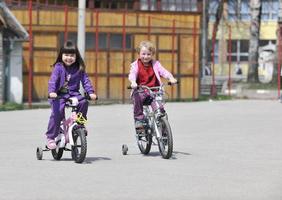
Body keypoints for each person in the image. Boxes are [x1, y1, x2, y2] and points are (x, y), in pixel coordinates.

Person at [45, 40, 97, 149]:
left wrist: (91, 92)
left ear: (76, 56)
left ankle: (80, 124)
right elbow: (53, 80)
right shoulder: (58, 67)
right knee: (57, 113)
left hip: (73, 93)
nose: (69, 58)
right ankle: (50, 137)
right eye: (66, 55)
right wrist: (52, 92)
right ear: (61, 55)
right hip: (59, 94)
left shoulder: (79, 67)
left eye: (72, 55)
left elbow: (85, 80)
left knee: (83, 102)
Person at [128, 40, 177, 128]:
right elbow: (132, 74)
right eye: (143, 54)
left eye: (148, 54)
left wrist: (171, 78)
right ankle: (139, 120)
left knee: (160, 111)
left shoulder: (156, 64)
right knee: (137, 96)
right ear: (139, 53)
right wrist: (133, 82)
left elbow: (164, 71)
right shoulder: (135, 65)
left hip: (154, 91)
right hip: (141, 91)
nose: (146, 56)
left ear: (152, 55)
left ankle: (164, 129)